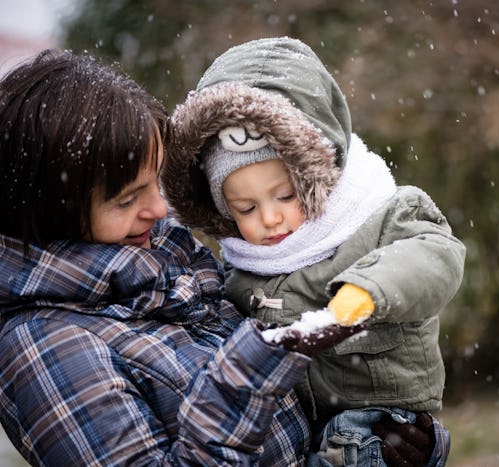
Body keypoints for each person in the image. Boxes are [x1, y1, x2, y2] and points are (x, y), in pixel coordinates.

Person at [0, 49, 432, 466]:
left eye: (156, 182)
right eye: (127, 199)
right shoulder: (44, 347)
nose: (158, 209)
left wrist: (370, 435)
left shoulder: (167, 266)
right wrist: (242, 374)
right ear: (55, 212)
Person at [162, 37, 465, 466]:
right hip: (298, 429)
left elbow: (437, 256)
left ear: (315, 173)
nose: (269, 219)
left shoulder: (380, 212)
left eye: (286, 195)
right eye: (245, 208)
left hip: (376, 418)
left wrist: (370, 288)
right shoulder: (239, 266)